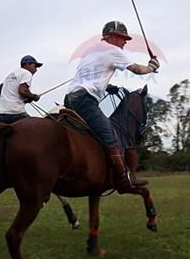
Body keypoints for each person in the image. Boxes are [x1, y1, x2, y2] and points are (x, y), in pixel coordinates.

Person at [64, 20, 158, 193]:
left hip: (70, 99)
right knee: (110, 135)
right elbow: (137, 69)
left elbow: (90, 77)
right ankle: (123, 179)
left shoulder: (90, 52)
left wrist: (108, 87)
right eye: (123, 38)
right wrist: (151, 67)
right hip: (85, 101)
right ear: (113, 37)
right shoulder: (113, 50)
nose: (124, 43)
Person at [0, 55, 43, 124]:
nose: (36, 70)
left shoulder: (11, 75)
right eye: (35, 66)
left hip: (1, 113)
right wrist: (34, 97)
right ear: (27, 64)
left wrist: (22, 99)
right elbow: (22, 91)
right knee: (36, 127)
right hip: (15, 113)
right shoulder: (27, 73)